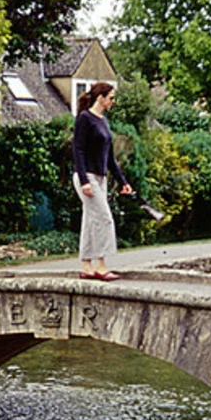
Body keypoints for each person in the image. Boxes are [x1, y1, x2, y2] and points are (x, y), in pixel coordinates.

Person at [72, 82, 134, 280]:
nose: (113, 101)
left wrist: (123, 181)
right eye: (111, 98)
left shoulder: (103, 121)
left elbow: (109, 158)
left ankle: (86, 266)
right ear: (100, 98)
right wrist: (84, 181)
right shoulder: (84, 118)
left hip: (101, 178)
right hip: (87, 177)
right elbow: (78, 150)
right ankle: (101, 265)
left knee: (90, 221)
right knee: (104, 219)